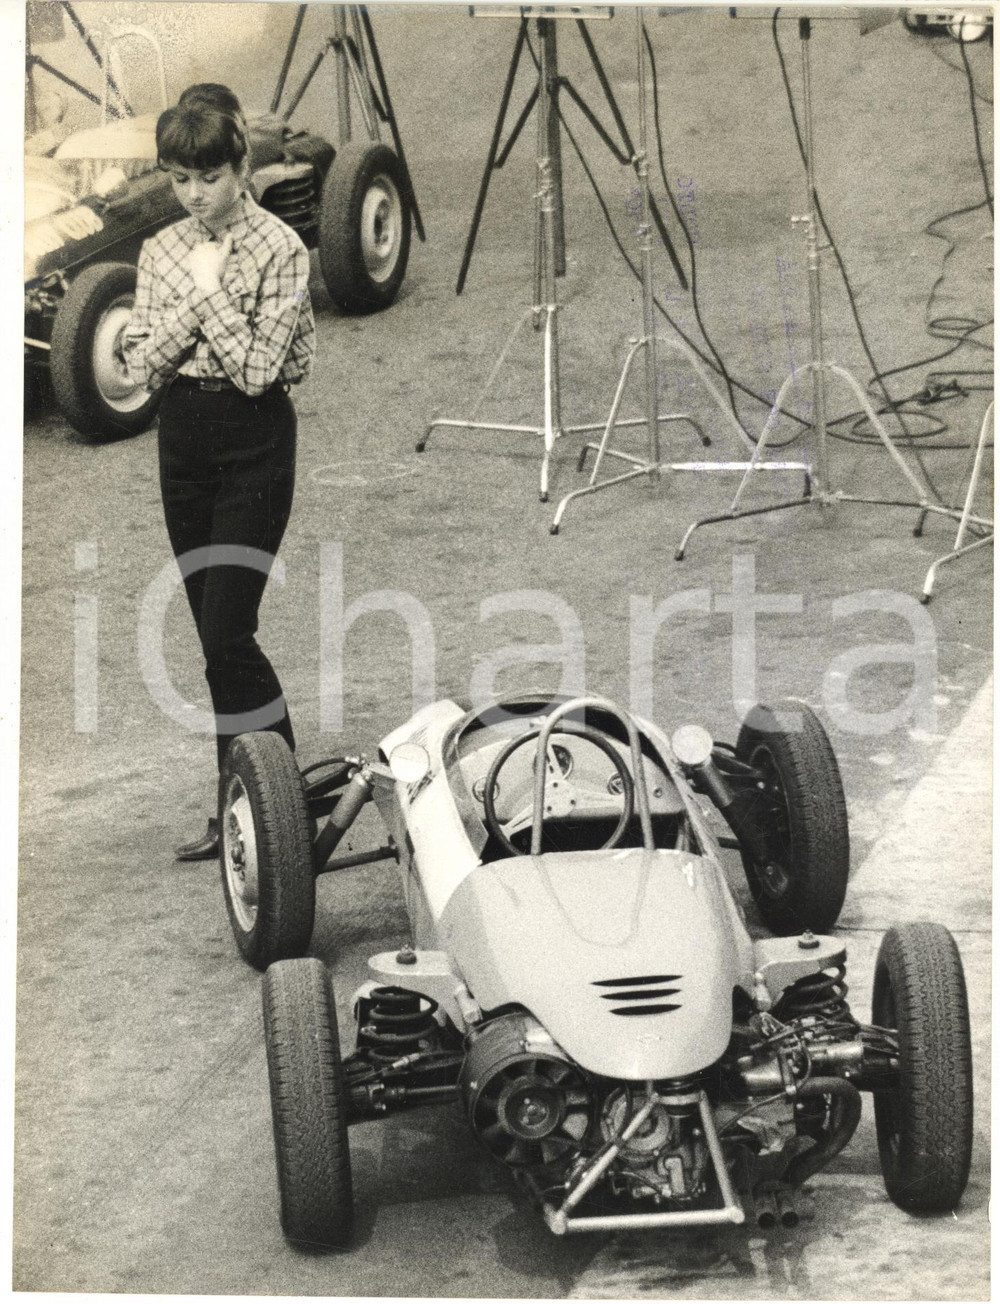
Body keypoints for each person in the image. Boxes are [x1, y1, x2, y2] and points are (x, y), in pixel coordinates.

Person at [123, 89, 315, 861]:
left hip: (255, 446)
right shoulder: (160, 248)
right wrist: (197, 307)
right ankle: (243, 809)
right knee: (212, 640)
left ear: (241, 167)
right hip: (185, 445)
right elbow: (140, 364)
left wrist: (205, 295)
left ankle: (282, 810)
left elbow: (262, 372)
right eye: (178, 180)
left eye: (207, 177)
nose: (194, 195)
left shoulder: (280, 249)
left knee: (228, 629)